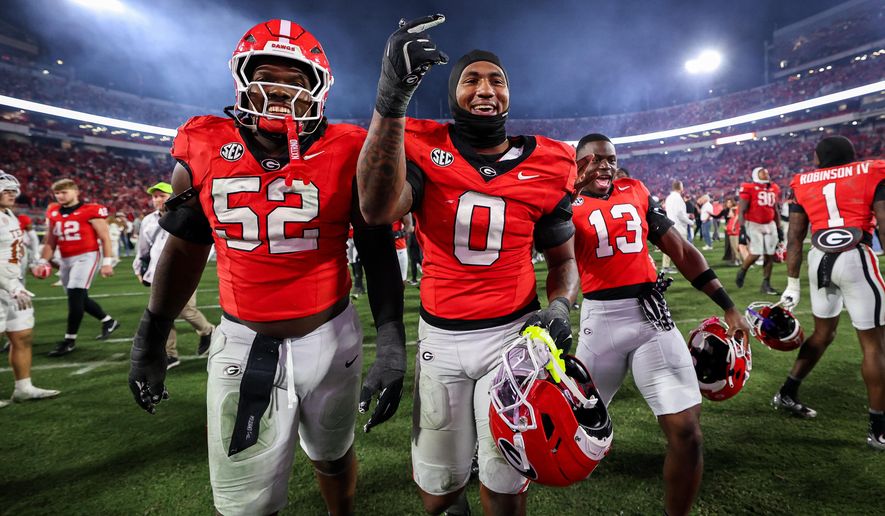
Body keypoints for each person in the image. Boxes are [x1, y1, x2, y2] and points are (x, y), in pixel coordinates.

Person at [126, 19, 405, 516]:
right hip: (241, 337)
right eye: (267, 75)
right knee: (243, 503)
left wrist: (390, 340)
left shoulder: (348, 146)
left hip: (332, 333)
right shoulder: (203, 142)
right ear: (241, 78)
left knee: (333, 455)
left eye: (295, 79)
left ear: (318, 88)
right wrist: (151, 334)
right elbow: (186, 244)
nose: (279, 89)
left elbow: (378, 249)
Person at [358, 17, 580, 515]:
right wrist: (392, 100)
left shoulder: (549, 163)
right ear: (453, 91)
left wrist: (562, 304)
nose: (485, 89)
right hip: (442, 340)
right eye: (471, 79)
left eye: (496, 80)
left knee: (505, 487)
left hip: (514, 337)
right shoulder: (420, 143)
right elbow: (375, 209)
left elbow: (564, 260)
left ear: (509, 92)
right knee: (439, 489)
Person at [570, 134, 748, 515]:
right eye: (594, 159)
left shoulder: (634, 190)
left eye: (611, 159)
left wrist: (728, 306)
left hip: (651, 317)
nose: (605, 165)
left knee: (687, 433)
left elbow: (681, 250)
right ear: (577, 163)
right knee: (573, 436)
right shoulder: (564, 201)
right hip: (599, 322)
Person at [776, 135, 885, 450]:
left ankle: (787, 391)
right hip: (854, 255)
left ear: (820, 157)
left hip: (818, 258)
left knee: (823, 334)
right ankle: (878, 429)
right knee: (875, 346)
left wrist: (793, 283)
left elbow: (795, 236)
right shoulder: (871, 171)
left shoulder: (803, 181)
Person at [132, 182, 215, 368]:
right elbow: (143, 249)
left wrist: (195, 265)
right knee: (161, 311)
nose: (157, 200)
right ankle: (170, 354)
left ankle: (208, 330)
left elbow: (204, 244)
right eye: (155, 196)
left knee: (185, 309)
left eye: (162, 195)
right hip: (158, 271)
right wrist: (139, 269)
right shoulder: (148, 220)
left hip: (183, 268)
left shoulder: (186, 215)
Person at [39, 178, 118, 357]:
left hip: (86, 256)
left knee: (75, 297)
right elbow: (50, 240)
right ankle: (108, 321)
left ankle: (69, 340)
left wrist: (107, 262)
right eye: (57, 193)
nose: (60, 196)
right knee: (79, 298)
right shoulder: (53, 211)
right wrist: (43, 261)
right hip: (66, 258)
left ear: (76, 191)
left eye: (64, 192)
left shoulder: (90, 210)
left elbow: (105, 237)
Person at [0, 172, 60, 407]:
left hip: (15, 287)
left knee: (22, 335)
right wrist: (11, 285)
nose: (11, 195)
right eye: (5, 191)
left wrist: (34, 263)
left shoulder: (10, 215)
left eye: (13, 191)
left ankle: (23, 388)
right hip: (7, 286)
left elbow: (13, 251)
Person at [735, 167, 782, 295]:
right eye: (763, 173)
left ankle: (766, 283)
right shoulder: (749, 187)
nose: (766, 174)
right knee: (756, 253)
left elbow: (776, 209)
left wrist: (779, 227)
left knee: (770, 254)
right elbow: (742, 210)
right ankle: (743, 270)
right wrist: (742, 228)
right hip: (753, 223)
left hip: (770, 223)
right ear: (756, 175)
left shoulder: (774, 188)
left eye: (767, 172)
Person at [662, 181, 692, 273]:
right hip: (679, 226)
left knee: (669, 247)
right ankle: (682, 266)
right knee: (681, 248)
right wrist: (690, 222)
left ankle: (665, 267)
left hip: (670, 225)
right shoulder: (678, 198)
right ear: (681, 188)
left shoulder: (669, 198)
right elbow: (679, 214)